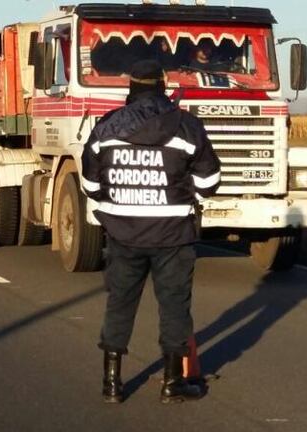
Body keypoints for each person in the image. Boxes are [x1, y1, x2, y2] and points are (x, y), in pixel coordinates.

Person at [80, 60, 221, 404]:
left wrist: (117, 200)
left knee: (120, 304)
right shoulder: (187, 126)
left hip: (124, 234)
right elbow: (209, 181)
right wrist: (189, 198)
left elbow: (89, 183)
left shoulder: (107, 127)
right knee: (174, 306)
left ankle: (111, 383)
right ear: (163, 86)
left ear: (131, 87)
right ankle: (173, 383)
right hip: (173, 235)